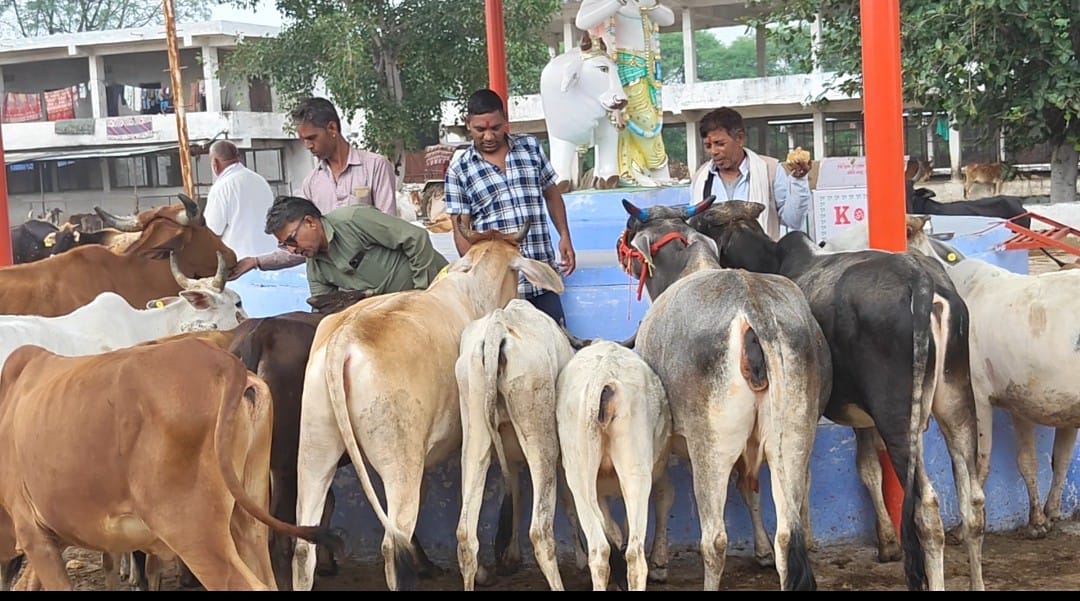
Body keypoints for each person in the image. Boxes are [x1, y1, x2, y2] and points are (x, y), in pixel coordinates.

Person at [228, 96, 400, 280]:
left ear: (332, 128)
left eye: (312, 138)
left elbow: (389, 230)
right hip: (336, 283)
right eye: (303, 140)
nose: (308, 145)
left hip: (379, 277)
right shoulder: (311, 183)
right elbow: (301, 245)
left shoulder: (375, 166)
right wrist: (256, 262)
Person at [444, 88, 576, 325]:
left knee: (556, 346)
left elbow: (552, 193)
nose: (488, 136)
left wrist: (564, 235)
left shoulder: (530, 148)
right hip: (498, 291)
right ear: (468, 124)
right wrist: (475, 274)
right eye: (480, 129)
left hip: (540, 278)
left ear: (505, 120)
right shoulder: (459, 170)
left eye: (495, 128)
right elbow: (460, 228)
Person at [264, 195, 447, 299]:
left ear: (310, 222)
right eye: (284, 245)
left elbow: (416, 238)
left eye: (291, 240)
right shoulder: (315, 268)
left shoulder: (354, 219)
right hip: (397, 316)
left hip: (441, 289)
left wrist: (422, 294)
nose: (291, 250)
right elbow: (325, 310)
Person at [576, 0, 674, 186]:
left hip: (644, 70)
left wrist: (651, 4)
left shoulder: (640, 3)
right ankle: (626, 172)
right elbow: (583, 21)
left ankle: (655, 171)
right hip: (615, 70)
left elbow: (668, 18)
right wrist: (616, 3)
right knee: (622, 123)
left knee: (649, 122)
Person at [689, 107, 812, 240]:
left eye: (720, 144)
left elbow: (793, 220)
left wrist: (798, 180)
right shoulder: (701, 178)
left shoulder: (770, 170)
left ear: (740, 139)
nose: (714, 151)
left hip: (761, 258)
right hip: (714, 260)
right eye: (708, 146)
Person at [202, 140, 279, 261]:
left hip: (240, 262)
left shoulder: (220, 188)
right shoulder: (260, 180)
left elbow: (212, 232)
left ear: (215, 163)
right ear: (237, 157)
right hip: (271, 259)